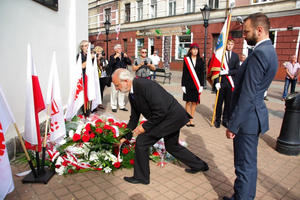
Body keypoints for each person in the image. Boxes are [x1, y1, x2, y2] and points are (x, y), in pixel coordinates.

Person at [112, 69, 209, 185]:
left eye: (117, 85)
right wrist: (124, 137)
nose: (116, 88)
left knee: (142, 141)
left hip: (171, 117)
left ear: (126, 81)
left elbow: (161, 111)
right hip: (167, 118)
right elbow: (134, 119)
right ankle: (200, 165)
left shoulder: (145, 86)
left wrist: (145, 127)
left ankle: (141, 177)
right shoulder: (132, 93)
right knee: (172, 146)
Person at [223, 13, 278, 200]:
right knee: (249, 164)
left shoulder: (259, 54)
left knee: (243, 166)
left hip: (246, 119)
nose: (244, 36)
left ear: (259, 30)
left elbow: (247, 94)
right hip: (255, 116)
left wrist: (233, 124)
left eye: (246, 32)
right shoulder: (270, 51)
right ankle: (245, 195)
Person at [215, 37, 240, 128]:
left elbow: (237, 70)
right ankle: (217, 119)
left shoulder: (235, 56)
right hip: (221, 82)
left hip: (230, 83)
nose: (230, 46)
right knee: (219, 102)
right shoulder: (220, 55)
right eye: (228, 44)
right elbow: (216, 70)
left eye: (231, 44)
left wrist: (227, 72)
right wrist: (216, 82)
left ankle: (225, 120)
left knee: (228, 103)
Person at [181, 43, 204, 127]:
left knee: (194, 102)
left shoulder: (200, 60)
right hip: (188, 83)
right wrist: (183, 85)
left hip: (196, 84)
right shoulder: (187, 59)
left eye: (196, 49)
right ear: (190, 50)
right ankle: (187, 119)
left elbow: (202, 73)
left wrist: (201, 85)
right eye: (194, 49)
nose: (195, 51)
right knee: (188, 102)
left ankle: (191, 119)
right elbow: (184, 72)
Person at [109, 44, 132, 112]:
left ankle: (121, 105)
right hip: (115, 76)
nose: (120, 50)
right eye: (118, 48)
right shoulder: (112, 56)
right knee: (114, 92)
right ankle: (113, 106)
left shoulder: (123, 57)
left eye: (121, 48)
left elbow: (130, 63)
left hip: (123, 76)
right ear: (115, 50)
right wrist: (115, 57)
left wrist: (126, 57)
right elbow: (110, 65)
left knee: (122, 91)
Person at [76, 40, 91, 117]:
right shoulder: (80, 55)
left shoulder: (90, 55)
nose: (88, 47)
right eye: (86, 46)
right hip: (83, 78)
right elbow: (82, 66)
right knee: (83, 95)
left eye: (88, 45)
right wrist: (89, 58)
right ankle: (83, 111)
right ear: (82, 48)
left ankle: (89, 111)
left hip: (90, 78)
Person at [93, 46, 107, 110]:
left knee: (101, 90)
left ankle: (100, 103)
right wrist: (98, 59)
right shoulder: (94, 58)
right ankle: (95, 105)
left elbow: (106, 66)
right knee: (96, 90)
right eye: (98, 51)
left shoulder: (103, 59)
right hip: (97, 76)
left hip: (103, 76)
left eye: (100, 52)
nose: (100, 53)